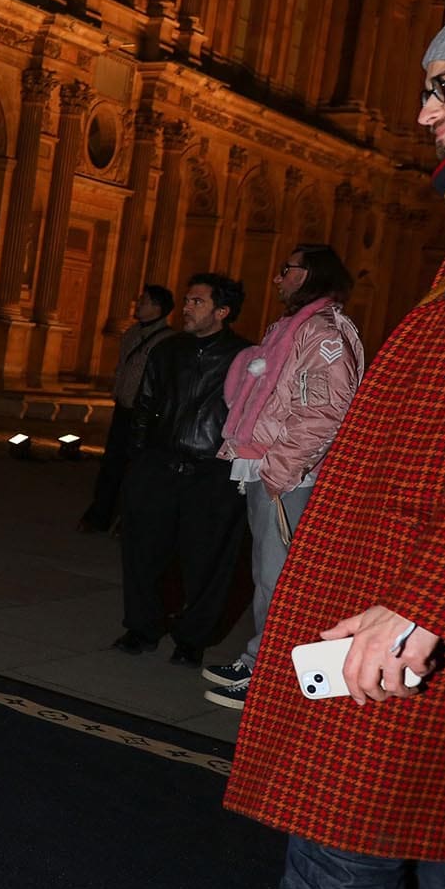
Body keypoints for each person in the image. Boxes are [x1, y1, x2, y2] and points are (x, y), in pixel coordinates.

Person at [145, 0, 445, 889]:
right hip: (420, 610)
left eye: (444, 85)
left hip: (411, 608)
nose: (423, 112)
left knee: (345, 859)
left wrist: (428, 599)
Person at [199, 245, 364, 710]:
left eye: (286, 269)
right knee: (267, 575)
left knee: (280, 580)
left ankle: (268, 677)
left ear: (308, 275)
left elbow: (325, 411)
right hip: (268, 466)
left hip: (288, 476)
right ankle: (258, 659)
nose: (277, 278)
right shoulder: (293, 327)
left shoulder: (323, 332)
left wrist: (280, 470)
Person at [113, 273, 250, 666]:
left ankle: (192, 639)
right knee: (143, 552)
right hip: (160, 465)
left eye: (197, 302)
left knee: (206, 562)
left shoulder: (244, 357)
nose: (186, 308)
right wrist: (138, 461)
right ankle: (142, 627)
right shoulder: (168, 350)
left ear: (222, 311)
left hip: (212, 474)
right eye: (187, 300)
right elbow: (145, 405)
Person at [77, 284, 176, 533]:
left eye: (144, 301)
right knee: (111, 464)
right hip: (123, 408)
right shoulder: (132, 332)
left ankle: (129, 519)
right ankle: (100, 514)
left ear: (158, 308)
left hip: (144, 415)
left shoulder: (168, 341)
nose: (138, 305)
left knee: (138, 469)